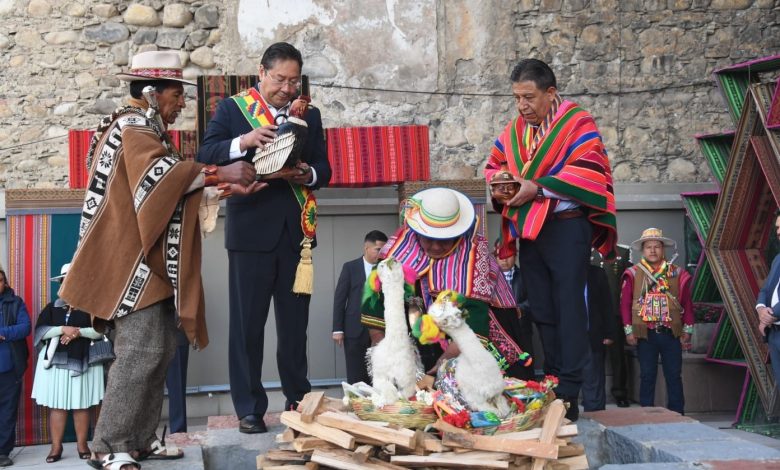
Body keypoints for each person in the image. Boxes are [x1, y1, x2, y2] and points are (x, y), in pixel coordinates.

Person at [59, 50, 256, 470]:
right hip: (132, 264)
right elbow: (158, 179)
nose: (182, 103)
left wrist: (220, 190)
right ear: (150, 92)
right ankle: (109, 444)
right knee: (140, 351)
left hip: (148, 262)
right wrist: (221, 172)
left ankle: (142, 438)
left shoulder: (144, 128)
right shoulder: (132, 128)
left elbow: (167, 194)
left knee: (161, 348)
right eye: (175, 94)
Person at [197, 42, 331, 434]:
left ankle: (298, 399)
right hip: (250, 233)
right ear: (261, 72)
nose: (288, 89)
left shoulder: (310, 114)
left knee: (294, 328)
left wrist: (308, 174)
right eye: (280, 79)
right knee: (247, 328)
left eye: (294, 80)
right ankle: (249, 409)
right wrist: (245, 141)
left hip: (297, 238)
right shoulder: (233, 110)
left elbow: (325, 167)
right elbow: (208, 150)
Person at [484, 58, 617, 421]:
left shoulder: (578, 122)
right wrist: (502, 184)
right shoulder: (515, 130)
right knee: (541, 308)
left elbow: (590, 173)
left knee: (569, 306)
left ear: (550, 92)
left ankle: (571, 388)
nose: (522, 106)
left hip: (567, 227)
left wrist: (537, 187)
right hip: (531, 230)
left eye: (528, 97)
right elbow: (495, 163)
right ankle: (553, 379)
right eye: (516, 98)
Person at [361, 188, 531, 381]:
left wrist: (444, 364)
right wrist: (386, 351)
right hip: (420, 335)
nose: (435, 247)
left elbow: (474, 322)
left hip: (473, 336)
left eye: (444, 240)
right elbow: (374, 301)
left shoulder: (475, 255)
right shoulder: (398, 250)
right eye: (429, 239)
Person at [31, 263, 106, 463]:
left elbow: (101, 331)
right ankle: (56, 447)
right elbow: (40, 331)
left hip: (84, 362)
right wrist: (63, 329)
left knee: (81, 405)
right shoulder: (51, 308)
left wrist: (79, 332)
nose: (69, 284)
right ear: (62, 284)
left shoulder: (91, 307)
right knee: (58, 406)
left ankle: (82, 445)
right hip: (56, 364)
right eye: (66, 281)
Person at [620, 228, 693, 415]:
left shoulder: (677, 273)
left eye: (657, 247)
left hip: (670, 333)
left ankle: (677, 413)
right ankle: (646, 413)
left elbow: (687, 303)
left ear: (663, 249)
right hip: (646, 334)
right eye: (648, 247)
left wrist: (688, 330)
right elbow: (625, 304)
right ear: (642, 251)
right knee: (647, 375)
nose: (653, 250)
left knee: (674, 376)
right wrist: (629, 330)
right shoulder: (633, 273)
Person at [332, 230, 388, 385]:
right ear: (366, 248)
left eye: (384, 250)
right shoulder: (350, 267)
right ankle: (355, 405)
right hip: (354, 328)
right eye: (378, 250)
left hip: (381, 329)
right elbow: (340, 298)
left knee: (379, 371)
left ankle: (376, 405)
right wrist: (337, 329)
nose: (381, 254)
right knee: (355, 371)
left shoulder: (387, 268)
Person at [0, 267, 31, 468]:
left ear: (5, 283)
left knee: (7, 412)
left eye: (0, 280)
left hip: (9, 367)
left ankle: (2, 452)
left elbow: (25, 327)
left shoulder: (15, 302)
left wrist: (2, 333)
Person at [494, 240, 536, 380]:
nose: (504, 259)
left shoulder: (525, 275)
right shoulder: (489, 278)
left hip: (522, 327)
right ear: (494, 257)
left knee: (526, 364)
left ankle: (529, 393)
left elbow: (535, 299)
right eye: (500, 255)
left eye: (509, 255)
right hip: (500, 331)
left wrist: (520, 309)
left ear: (515, 256)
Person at [580, 261, 615, 412]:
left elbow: (606, 304)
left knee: (594, 375)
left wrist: (609, 332)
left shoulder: (597, 273)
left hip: (593, 333)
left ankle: (596, 415)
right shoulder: (562, 270)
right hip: (570, 334)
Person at [756, 210, 780, 388]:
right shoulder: (777, 260)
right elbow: (765, 290)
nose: (778, 231)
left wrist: (770, 316)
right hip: (774, 334)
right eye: (777, 228)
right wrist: (761, 310)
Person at [165, 329, 189, 434]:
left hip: (176, 326)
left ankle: (179, 432)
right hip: (144, 325)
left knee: (177, 386)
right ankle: (142, 438)